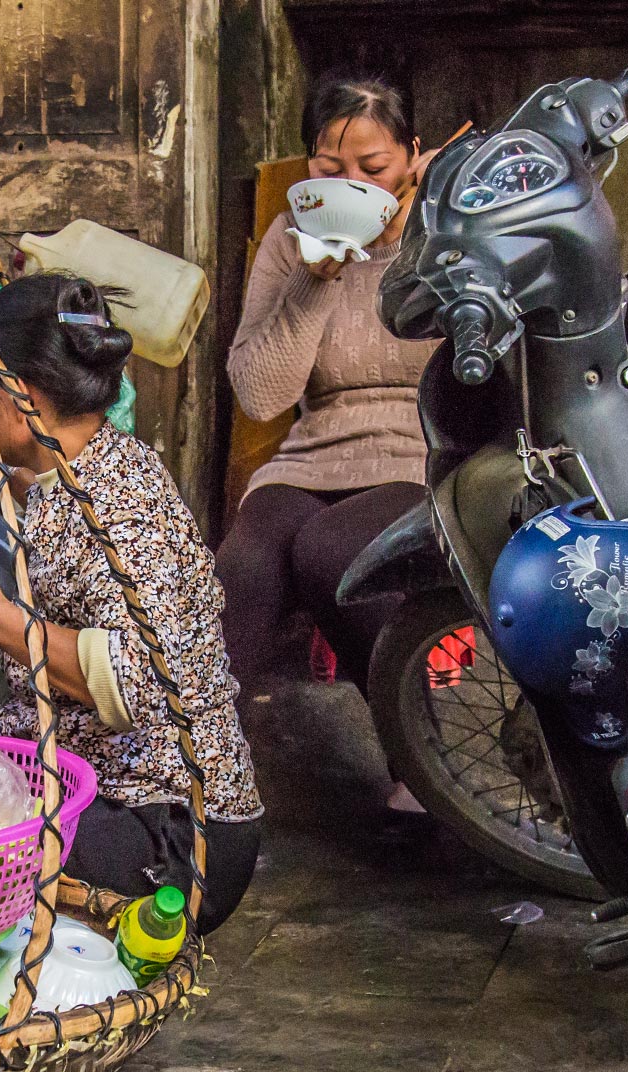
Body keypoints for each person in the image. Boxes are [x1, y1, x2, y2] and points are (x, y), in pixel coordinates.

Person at [0, 275, 262, 934]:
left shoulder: (120, 506)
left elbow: (141, 682)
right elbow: (51, 487)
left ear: (23, 397)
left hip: (173, 834)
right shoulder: (91, 461)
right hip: (95, 772)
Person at [214, 76, 439, 697]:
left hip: (423, 457)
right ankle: (198, 767)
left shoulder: (444, 236)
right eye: (329, 168)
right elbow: (262, 397)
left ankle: (420, 754)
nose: (352, 187)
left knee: (330, 552)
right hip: (313, 459)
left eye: (374, 167)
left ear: (412, 158)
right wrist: (316, 279)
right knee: (243, 569)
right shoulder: (291, 239)